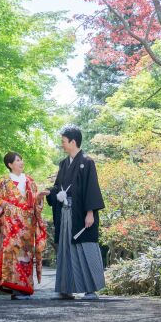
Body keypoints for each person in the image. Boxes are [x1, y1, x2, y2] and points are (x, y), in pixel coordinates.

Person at [46, 125, 106, 300]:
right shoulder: (64, 164)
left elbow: (91, 189)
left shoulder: (87, 162)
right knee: (66, 247)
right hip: (65, 213)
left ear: (73, 141)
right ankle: (67, 288)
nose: (62, 145)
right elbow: (58, 186)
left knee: (85, 246)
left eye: (63, 142)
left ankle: (90, 289)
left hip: (81, 212)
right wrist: (49, 192)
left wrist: (90, 213)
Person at [0, 151, 50, 299]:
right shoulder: (3, 181)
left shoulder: (30, 181)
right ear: (10, 164)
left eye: (21, 160)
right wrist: (7, 206)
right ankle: (14, 287)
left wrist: (39, 198)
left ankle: (25, 288)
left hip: (27, 224)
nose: (21, 162)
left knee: (26, 255)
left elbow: (35, 204)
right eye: (18, 160)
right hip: (10, 224)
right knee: (11, 253)